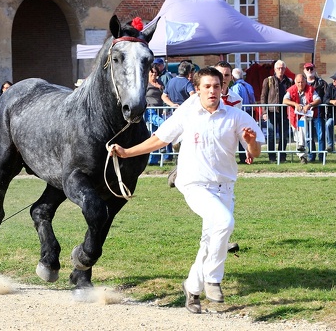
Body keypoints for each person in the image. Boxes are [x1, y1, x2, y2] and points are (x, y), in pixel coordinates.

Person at [110, 67, 264, 314]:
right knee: (224, 221)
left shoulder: (236, 116)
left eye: (216, 86)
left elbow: (255, 153)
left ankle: (192, 288)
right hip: (194, 183)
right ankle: (213, 280)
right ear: (198, 89)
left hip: (224, 187)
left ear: (222, 88)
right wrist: (127, 152)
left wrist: (251, 141)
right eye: (207, 86)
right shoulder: (187, 113)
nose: (213, 91)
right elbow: (159, 139)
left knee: (210, 240)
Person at [283, 74, 321, 164]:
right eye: (298, 82)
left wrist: (309, 105)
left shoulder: (310, 89)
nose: (300, 84)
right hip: (293, 116)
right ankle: (301, 153)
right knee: (297, 136)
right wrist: (295, 104)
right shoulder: (291, 89)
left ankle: (302, 155)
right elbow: (284, 100)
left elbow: (318, 99)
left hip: (305, 116)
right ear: (295, 82)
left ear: (305, 82)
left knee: (302, 125)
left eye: (302, 82)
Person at [261, 60, 293, 163]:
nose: (281, 70)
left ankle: (282, 156)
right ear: (275, 69)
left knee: (284, 135)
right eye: (279, 68)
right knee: (271, 135)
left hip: (285, 112)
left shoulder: (289, 81)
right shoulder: (268, 80)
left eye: (283, 68)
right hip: (272, 112)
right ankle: (272, 157)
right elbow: (263, 97)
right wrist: (264, 112)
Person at [144, 65, 172, 165]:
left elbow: (165, 95)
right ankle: (154, 157)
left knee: (155, 134)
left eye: (155, 73)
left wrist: (160, 88)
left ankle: (153, 160)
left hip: (160, 109)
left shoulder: (160, 82)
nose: (153, 74)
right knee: (163, 124)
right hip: (150, 110)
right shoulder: (145, 83)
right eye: (151, 72)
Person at [303, 63, 328, 162]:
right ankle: (311, 155)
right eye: (307, 69)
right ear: (304, 70)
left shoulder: (322, 83)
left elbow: (326, 97)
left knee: (321, 135)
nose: (309, 70)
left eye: (311, 68)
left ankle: (322, 156)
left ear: (314, 69)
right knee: (308, 136)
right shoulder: (302, 82)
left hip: (319, 114)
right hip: (305, 114)